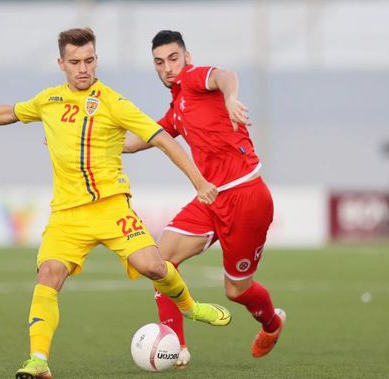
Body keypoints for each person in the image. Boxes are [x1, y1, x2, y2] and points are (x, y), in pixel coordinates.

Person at [0, 28, 232, 379]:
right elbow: (11, 112)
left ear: (96, 61)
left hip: (111, 208)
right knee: (48, 275)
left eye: (89, 60)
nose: (83, 68)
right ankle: (38, 361)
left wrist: (198, 181)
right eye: (75, 62)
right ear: (61, 63)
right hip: (67, 215)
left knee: (153, 266)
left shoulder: (113, 102)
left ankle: (190, 306)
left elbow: (163, 139)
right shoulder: (48, 100)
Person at [123, 30, 286, 367]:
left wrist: (229, 98)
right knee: (160, 262)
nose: (167, 67)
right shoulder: (177, 108)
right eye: (159, 62)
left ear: (186, 57)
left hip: (245, 196)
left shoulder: (196, 79)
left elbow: (227, 76)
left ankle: (272, 323)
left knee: (235, 291)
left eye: (173, 58)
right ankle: (176, 347)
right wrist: (85, 142)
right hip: (211, 198)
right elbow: (143, 139)